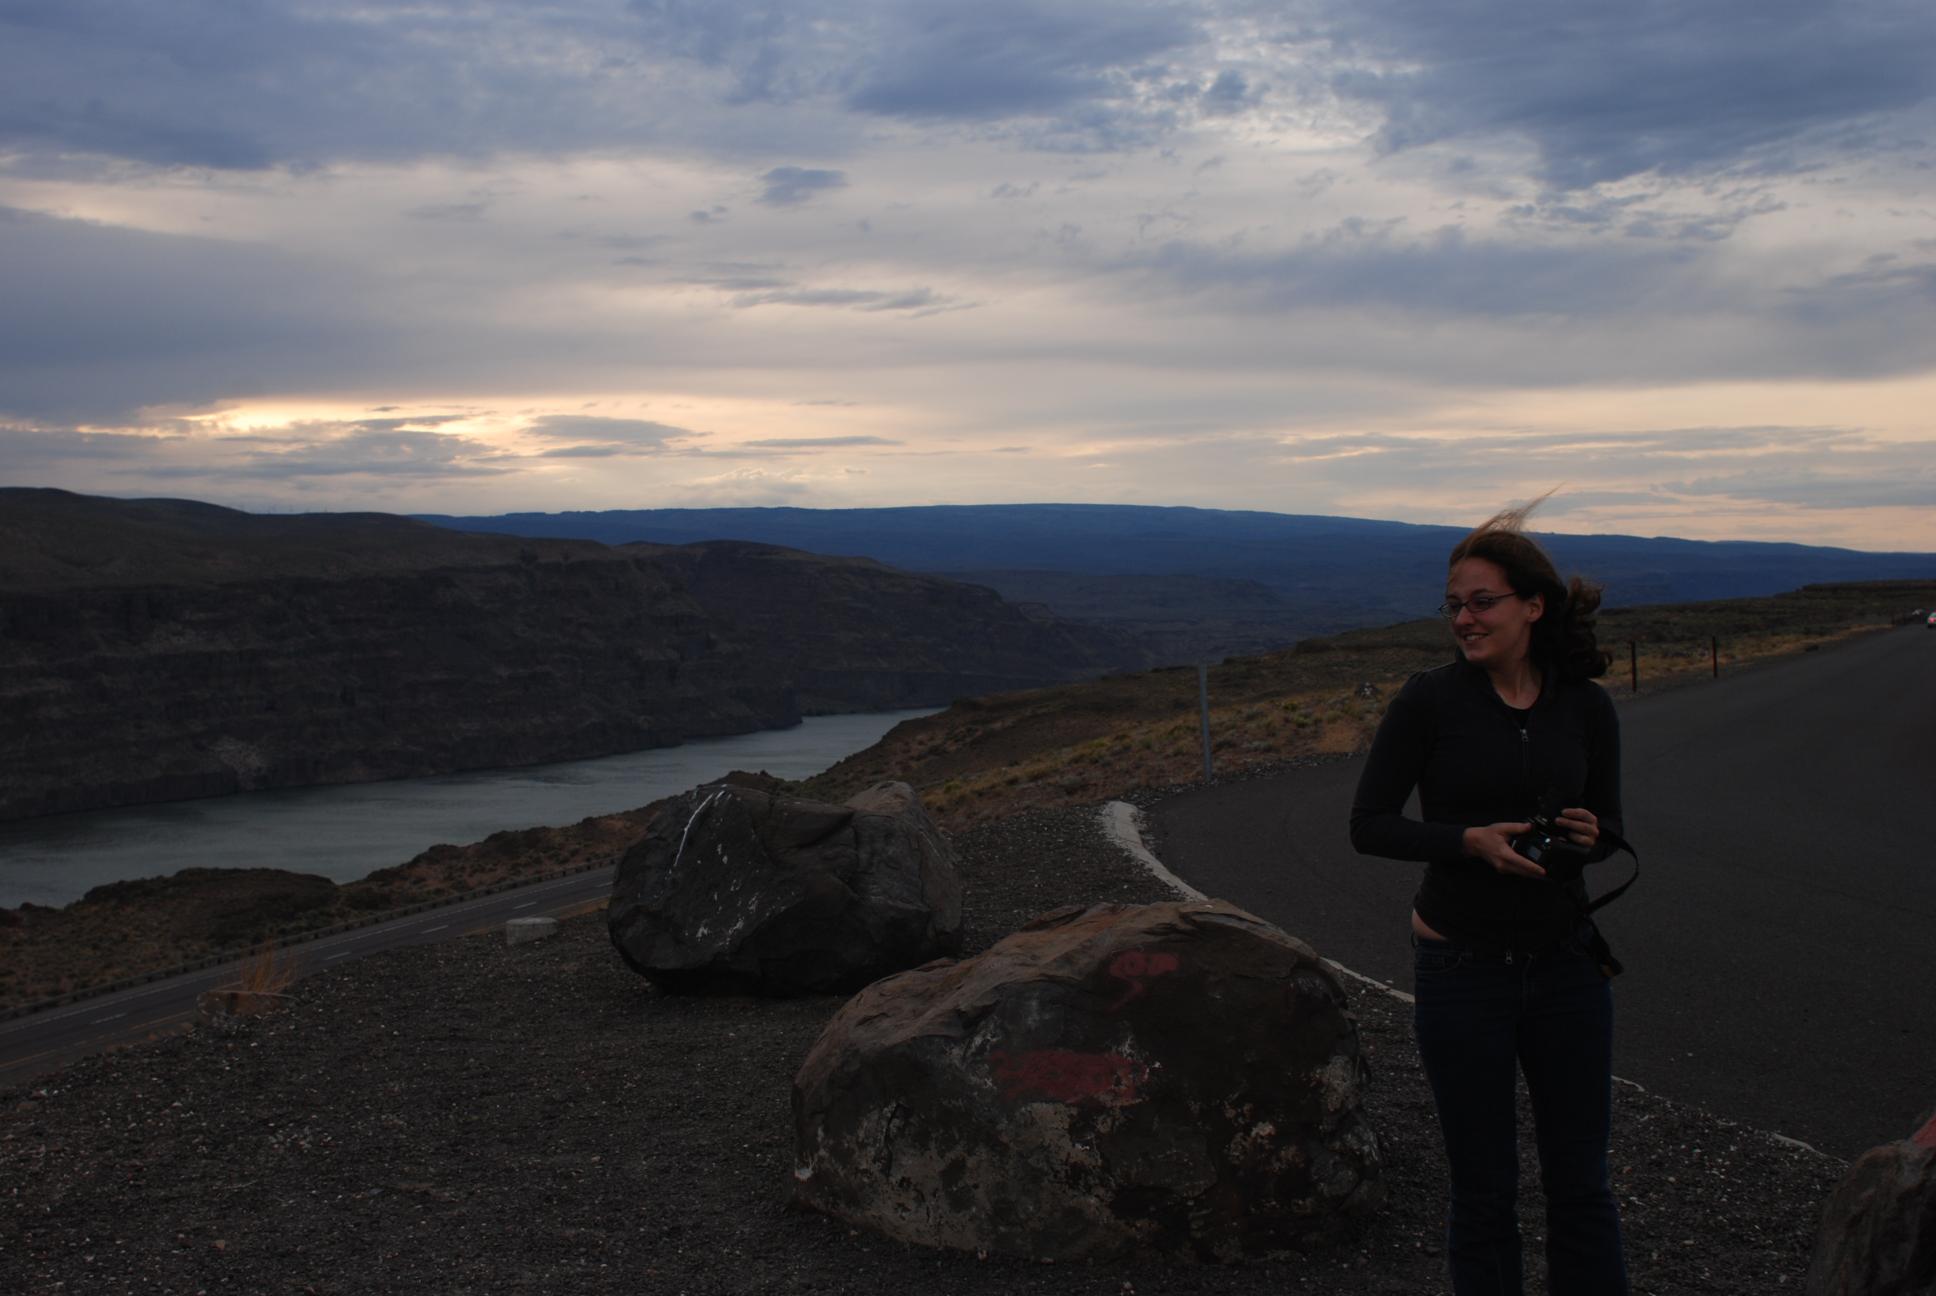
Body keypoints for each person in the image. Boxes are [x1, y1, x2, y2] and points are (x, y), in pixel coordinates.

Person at [1349, 499, 1629, 1295]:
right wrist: (1464, 840)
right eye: (1454, 606)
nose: (1464, 620)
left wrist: (1586, 836)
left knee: (1581, 1185)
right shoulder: (1428, 702)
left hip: (1568, 969)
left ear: (1533, 606)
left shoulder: (1585, 706)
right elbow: (1368, 824)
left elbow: (1611, 827)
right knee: (1483, 1191)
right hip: (1460, 968)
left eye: (1481, 602)